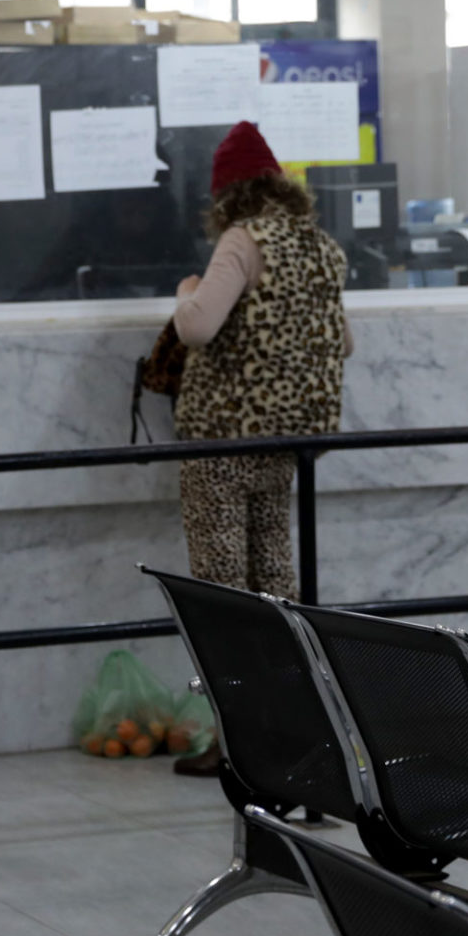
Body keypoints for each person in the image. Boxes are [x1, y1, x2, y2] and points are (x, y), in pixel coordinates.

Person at [169, 121, 351, 775]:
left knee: (223, 591)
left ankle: (237, 740)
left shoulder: (242, 241)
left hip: (223, 441)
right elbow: (343, 341)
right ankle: (291, 728)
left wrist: (188, 290)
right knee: (277, 586)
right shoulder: (321, 246)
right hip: (287, 441)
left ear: (228, 192)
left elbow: (198, 327)